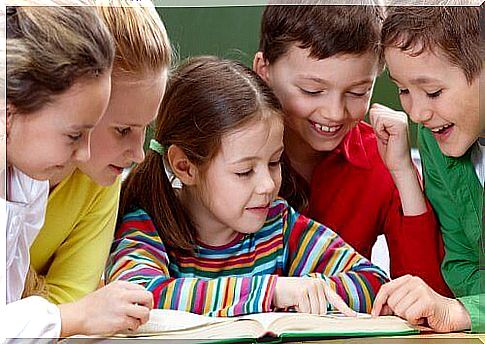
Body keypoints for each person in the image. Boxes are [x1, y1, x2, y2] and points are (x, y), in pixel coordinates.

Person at [106, 56, 389, 317]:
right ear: (186, 166)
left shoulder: (278, 224)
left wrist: (311, 290)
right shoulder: (147, 223)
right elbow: (138, 296)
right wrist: (272, 292)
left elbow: (373, 282)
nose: (267, 185)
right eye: (244, 171)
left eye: (275, 162)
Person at [252, 4, 452, 296]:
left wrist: (404, 173)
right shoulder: (227, 150)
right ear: (263, 71)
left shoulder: (380, 158)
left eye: (358, 92)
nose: (334, 113)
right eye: (311, 90)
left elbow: (428, 296)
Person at [5, 3, 152, 339]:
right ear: (8, 113)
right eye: (75, 134)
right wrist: (68, 319)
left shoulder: (29, 180)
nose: (83, 152)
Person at [27, 0, 171, 304]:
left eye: (146, 128)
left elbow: (69, 306)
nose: (139, 154)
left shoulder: (101, 179)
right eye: (122, 130)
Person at [371, 6, 484, 333]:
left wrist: (464, 311)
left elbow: (462, 299)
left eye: (433, 92)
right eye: (404, 90)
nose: (417, 112)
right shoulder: (435, 139)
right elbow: (460, 267)